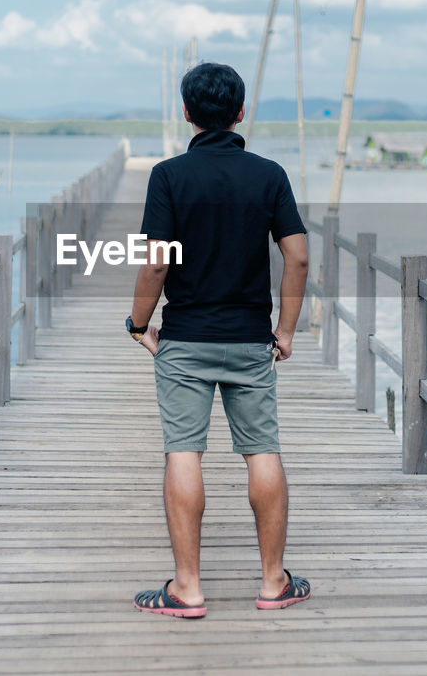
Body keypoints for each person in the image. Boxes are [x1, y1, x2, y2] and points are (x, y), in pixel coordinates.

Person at [125, 62, 311, 619]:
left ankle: (187, 588)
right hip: (252, 340)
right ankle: (274, 582)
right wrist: (285, 330)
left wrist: (138, 325)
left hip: (184, 338)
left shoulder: (168, 175)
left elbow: (156, 266)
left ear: (186, 113)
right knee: (263, 451)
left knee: (184, 450)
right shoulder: (269, 174)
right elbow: (298, 255)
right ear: (241, 112)